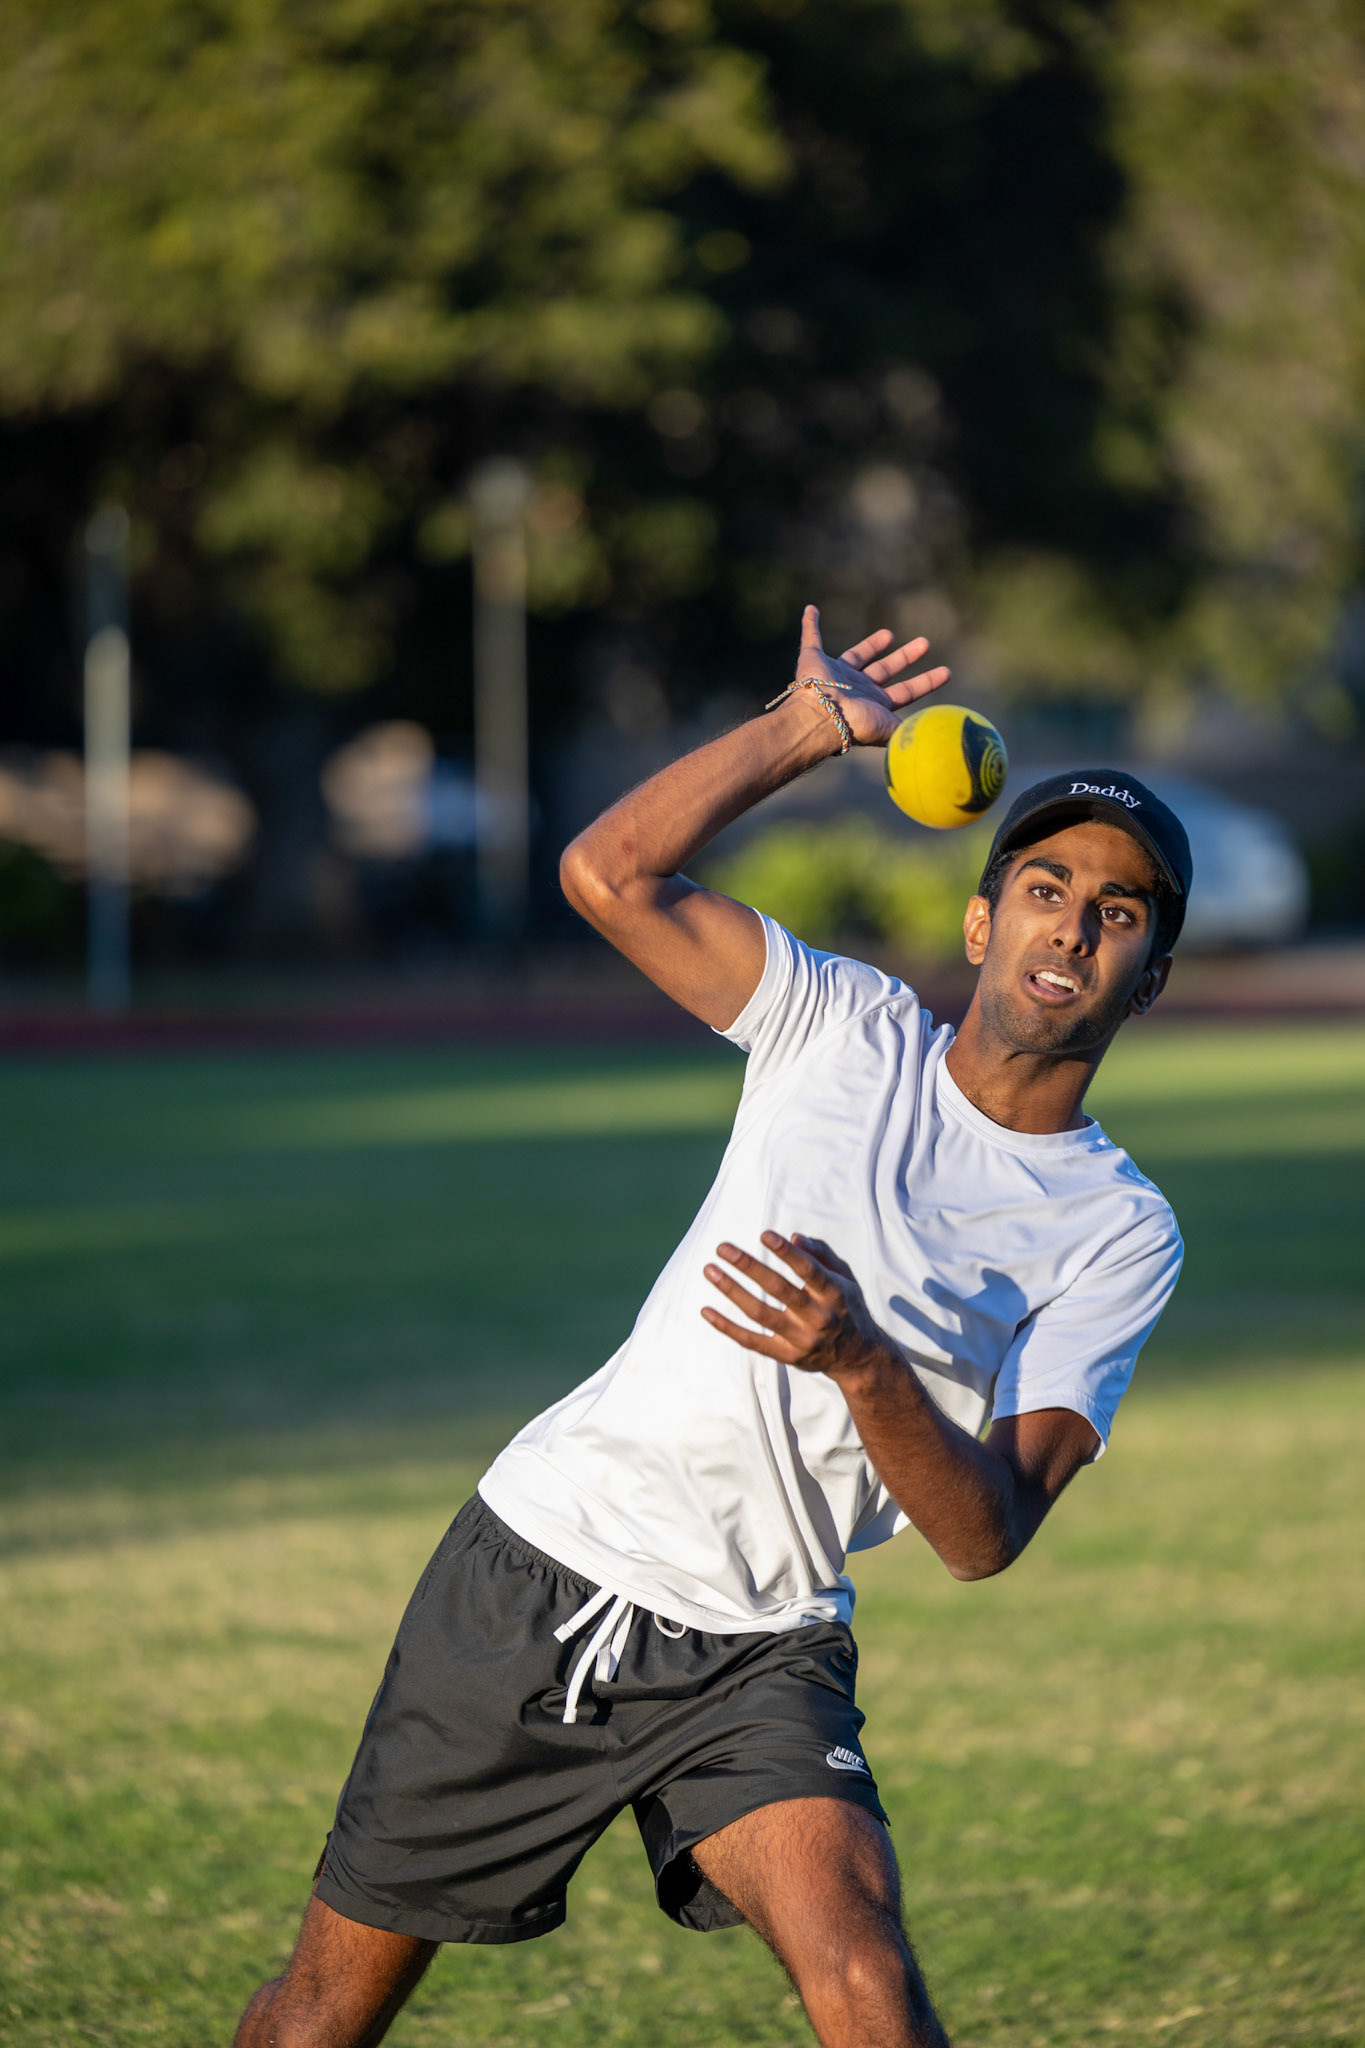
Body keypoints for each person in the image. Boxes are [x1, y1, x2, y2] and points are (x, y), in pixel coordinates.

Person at [235, 606, 1190, 2048]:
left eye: (1118, 912)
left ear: (1148, 976)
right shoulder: (843, 1026)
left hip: (763, 1640)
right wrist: (804, 729)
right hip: (547, 1565)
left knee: (867, 1983)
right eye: (1047, 886)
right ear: (982, 920)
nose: (1074, 924)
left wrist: (861, 1359)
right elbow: (606, 872)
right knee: (325, 2015)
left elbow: (982, 1534)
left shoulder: (1118, 1227)